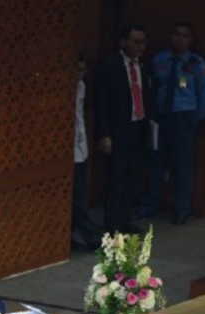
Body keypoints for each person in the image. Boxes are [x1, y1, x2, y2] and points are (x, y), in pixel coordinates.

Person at [140, 22, 205, 225]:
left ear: (191, 40)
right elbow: (151, 87)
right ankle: (149, 205)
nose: (179, 39)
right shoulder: (160, 59)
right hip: (160, 117)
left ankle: (181, 209)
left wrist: (197, 118)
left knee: (182, 166)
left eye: (185, 36)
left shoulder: (197, 64)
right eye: (176, 34)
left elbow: (202, 93)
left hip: (184, 117)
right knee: (156, 163)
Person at [94, 24, 151, 234]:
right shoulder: (110, 65)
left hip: (137, 127)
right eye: (135, 42)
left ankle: (124, 220)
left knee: (131, 176)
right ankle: (113, 225)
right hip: (117, 131)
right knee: (116, 178)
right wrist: (103, 133)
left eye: (142, 42)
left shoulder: (142, 66)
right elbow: (101, 101)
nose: (140, 46)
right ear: (123, 42)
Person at [72, 54, 102, 252]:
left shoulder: (81, 87)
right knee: (76, 197)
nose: (80, 74)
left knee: (79, 194)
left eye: (83, 70)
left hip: (79, 148)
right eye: (77, 69)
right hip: (69, 151)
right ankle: (91, 237)